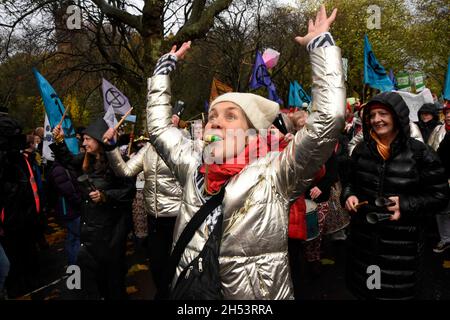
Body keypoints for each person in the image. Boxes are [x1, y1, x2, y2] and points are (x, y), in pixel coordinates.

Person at [146, 5, 344, 299]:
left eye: (230, 116)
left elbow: (327, 122)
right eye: (213, 116)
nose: (216, 122)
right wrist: (162, 72)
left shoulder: (274, 175)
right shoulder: (194, 166)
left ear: (251, 132)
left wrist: (321, 47)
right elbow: (159, 130)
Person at [341, 91, 449, 300]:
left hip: (401, 250)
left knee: (393, 295)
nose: (376, 120)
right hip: (364, 246)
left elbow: (440, 196)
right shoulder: (361, 150)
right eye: (372, 115)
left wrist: (406, 205)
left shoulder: (420, 153)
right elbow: (349, 183)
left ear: (397, 116)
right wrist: (348, 196)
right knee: (369, 291)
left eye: (383, 114)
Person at [51, 118, 135, 300]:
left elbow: (128, 191)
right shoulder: (85, 160)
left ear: (98, 140)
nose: (84, 143)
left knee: (113, 281)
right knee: (94, 281)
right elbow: (67, 160)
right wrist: (58, 140)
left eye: (88, 139)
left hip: (111, 233)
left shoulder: (117, 163)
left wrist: (105, 196)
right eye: (83, 139)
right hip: (90, 230)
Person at [103, 112, 184, 300]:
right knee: (156, 268)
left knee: (178, 268)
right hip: (154, 220)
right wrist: (111, 147)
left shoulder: (182, 145)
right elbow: (125, 171)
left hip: (177, 218)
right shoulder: (148, 148)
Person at [427, 104, 450, 253]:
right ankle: (446, 239)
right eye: (447, 113)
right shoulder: (438, 130)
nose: (448, 115)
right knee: (442, 210)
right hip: (442, 178)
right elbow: (431, 151)